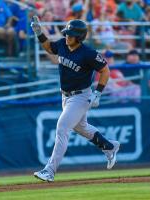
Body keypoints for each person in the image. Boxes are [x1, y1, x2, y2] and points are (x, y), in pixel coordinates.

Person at [31, 16, 120, 182]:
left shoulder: (88, 53)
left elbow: (105, 71)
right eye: (66, 33)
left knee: (62, 128)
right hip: (65, 96)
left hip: (80, 96)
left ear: (79, 37)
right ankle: (109, 146)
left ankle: (50, 170)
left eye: (70, 35)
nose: (67, 36)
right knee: (82, 127)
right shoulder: (63, 45)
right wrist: (39, 33)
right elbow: (50, 48)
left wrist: (98, 93)